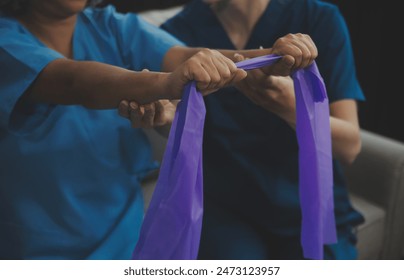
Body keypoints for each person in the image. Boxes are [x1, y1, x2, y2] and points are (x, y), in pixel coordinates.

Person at [0, 0, 316, 259]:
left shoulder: (110, 26)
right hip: (41, 249)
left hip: (128, 236)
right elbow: (73, 81)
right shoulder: (6, 43)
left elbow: (184, 57)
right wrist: (163, 83)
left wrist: (266, 58)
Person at [121, 0, 365, 259]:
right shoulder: (176, 34)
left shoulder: (317, 19)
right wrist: (166, 119)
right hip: (226, 210)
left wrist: (288, 104)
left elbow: (349, 147)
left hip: (307, 205)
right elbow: (184, 133)